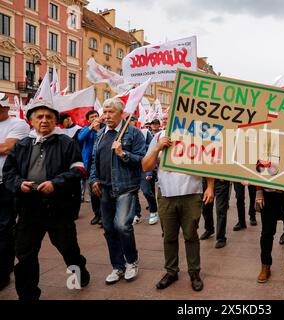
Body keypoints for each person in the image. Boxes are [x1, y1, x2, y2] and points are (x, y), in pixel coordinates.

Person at [3, 100, 89, 301]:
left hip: (59, 208)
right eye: (39, 117)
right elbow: (9, 174)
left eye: (49, 117)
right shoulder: (22, 145)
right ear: (31, 121)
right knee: (25, 255)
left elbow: (79, 169)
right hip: (28, 209)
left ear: (55, 120)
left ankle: (78, 273)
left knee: (68, 249)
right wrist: (19, 184)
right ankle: (28, 295)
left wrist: (56, 183)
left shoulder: (66, 143)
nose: (44, 120)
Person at [142, 130, 214, 292]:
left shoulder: (197, 134)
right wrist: (157, 148)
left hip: (192, 193)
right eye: (166, 114)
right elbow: (146, 165)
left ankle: (194, 273)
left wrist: (210, 186)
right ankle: (171, 272)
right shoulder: (159, 136)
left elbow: (209, 161)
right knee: (169, 236)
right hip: (167, 195)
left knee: (191, 235)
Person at [89, 98, 145, 284]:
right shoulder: (100, 134)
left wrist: (123, 154)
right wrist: (94, 179)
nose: (106, 116)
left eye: (110, 112)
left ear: (122, 113)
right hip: (104, 188)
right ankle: (117, 266)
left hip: (125, 187)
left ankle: (131, 261)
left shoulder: (133, 133)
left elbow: (143, 161)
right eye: (104, 112)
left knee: (122, 226)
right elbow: (94, 160)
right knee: (109, 229)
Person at [0, 94, 30, 291]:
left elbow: (6, 147)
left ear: (4, 107)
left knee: (3, 229)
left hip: (5, 185)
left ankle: (3, 272)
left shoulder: (18, 124)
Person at [255, 187, 284, 283]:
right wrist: (258, 191)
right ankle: (265, 266)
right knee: (267, 232)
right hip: (267, 194)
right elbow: (257, 172)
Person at [78, 110, 103, 225]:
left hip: (102, 162)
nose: (94, 118)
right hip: (89, 163)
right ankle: (97, 214)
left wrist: (98, 130)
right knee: (93, 191)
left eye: (96, 116)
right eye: (92, 117)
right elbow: (80, 138)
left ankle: (104, 215)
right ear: (88, 120)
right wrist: (91, 128)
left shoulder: (104, 128)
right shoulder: (85, 129)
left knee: (103, 190)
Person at [199, 179, 231, 249]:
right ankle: (209, 229)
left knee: (220, 210)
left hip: (221, 180)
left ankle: (221, 238)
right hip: (207, 180)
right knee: (205, 207)